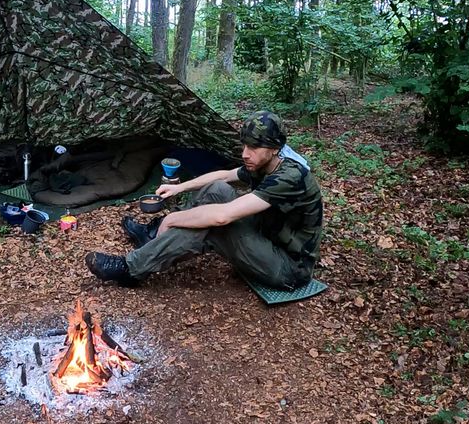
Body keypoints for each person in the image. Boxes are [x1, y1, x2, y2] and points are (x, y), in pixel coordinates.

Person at [84, 111, 323, 290]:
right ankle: (156, 236)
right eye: (244, 145)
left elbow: (222, 217)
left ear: (275, 148)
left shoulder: (291, 176)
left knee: (213, 226)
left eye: (253, 147)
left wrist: (174, 218)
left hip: (287, 268)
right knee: (218, 189)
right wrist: (179, 188)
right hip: (265, 238)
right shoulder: (265, 163)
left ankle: (131, 269)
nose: (244, 153)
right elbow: (224, 176)